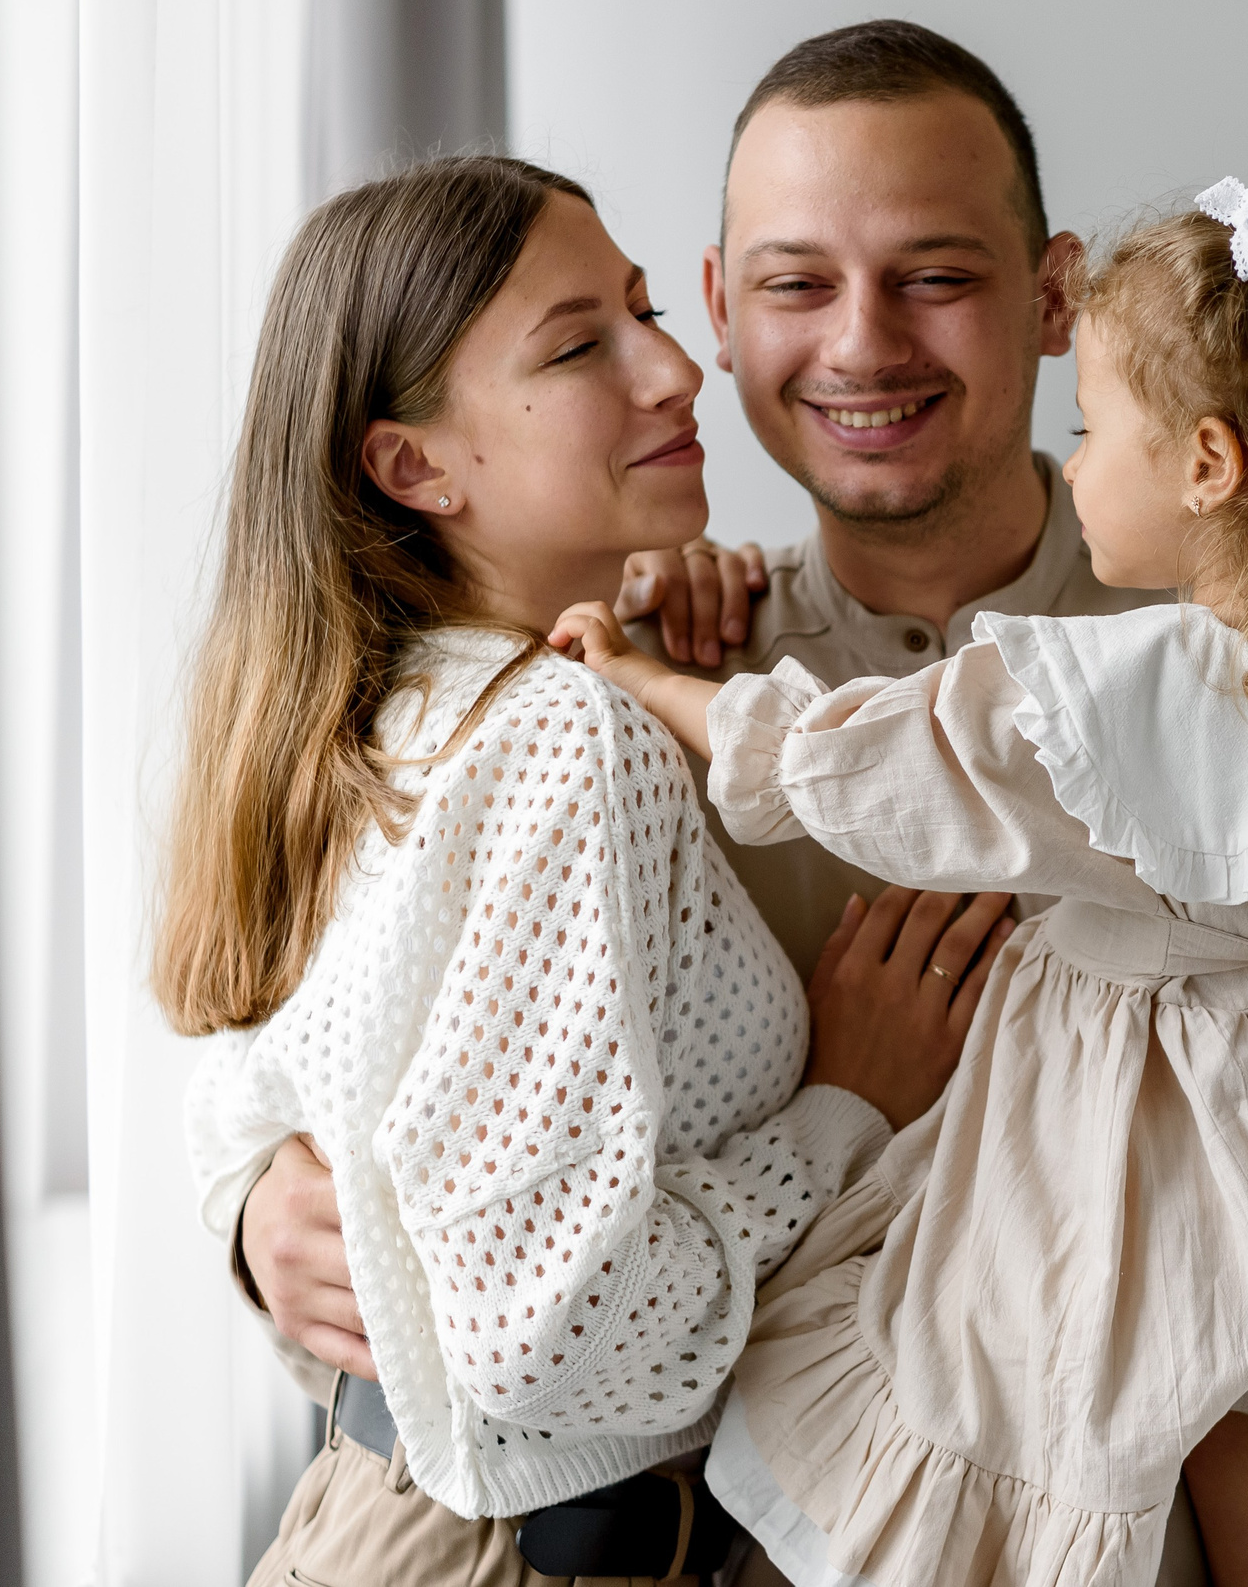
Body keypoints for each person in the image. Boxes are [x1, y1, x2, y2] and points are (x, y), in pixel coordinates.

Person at [240, 21, 1248, 1586]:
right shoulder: (643, 679)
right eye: (793, 284)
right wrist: (255, 1214)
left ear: (1055, 299)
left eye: (936, 276)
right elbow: (350, 1046)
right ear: (717, 310)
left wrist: (1209, 1366)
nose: (863, 344)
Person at [552, 181, 1248, 1587]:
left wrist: (647, 679)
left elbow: (857, 756)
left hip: (1129, 1127)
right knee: (1195, 1391)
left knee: (1037, 1383)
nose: (1076, 465)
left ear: (1208, 462)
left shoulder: (1121, 693)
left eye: (1091, 432)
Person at [164, 156, 1013, 1586]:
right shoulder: (563, 736)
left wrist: (243, 1202)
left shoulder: (370, 715)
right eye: (580, 346)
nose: (679, 367)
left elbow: (282, 1094)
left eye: (642, 309)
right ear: (413, 466)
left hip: (371, 1524)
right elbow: (550, 1341)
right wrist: (839, 1114)